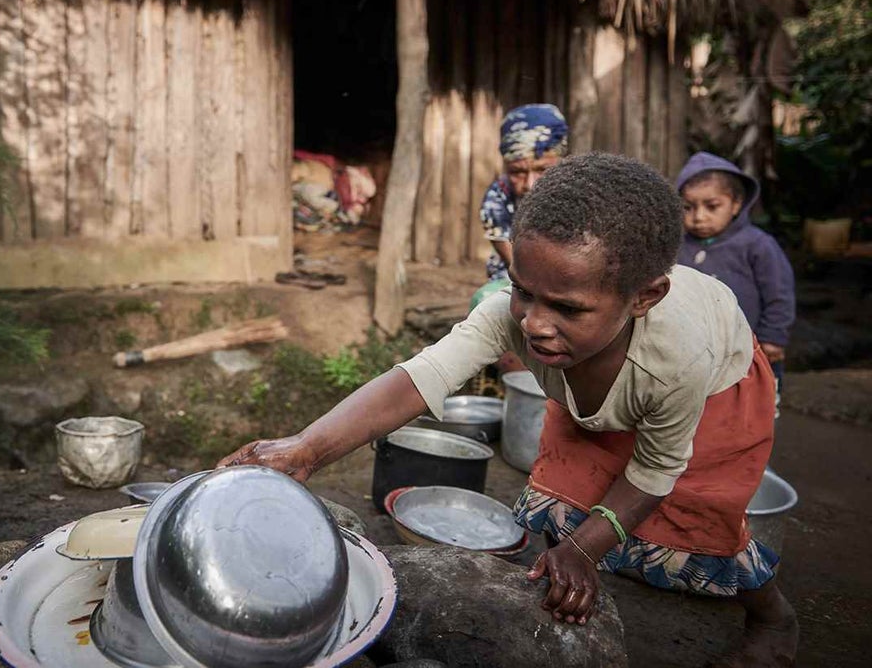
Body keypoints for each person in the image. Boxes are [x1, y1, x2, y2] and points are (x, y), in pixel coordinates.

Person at [221, 154, 796, 666]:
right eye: (524, 291)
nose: (534, 324)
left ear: (643, 298)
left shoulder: (679, 359)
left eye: (566, 307)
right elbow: (420, 378)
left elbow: (656, 472)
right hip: (602, 382)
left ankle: (770, 614)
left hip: (715, 393)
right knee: (566, 489)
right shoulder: (520, 317)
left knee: (699, 520)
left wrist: (585, 547)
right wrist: (305, 448)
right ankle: (567, 574)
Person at [676, 152, 795, 384]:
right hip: (689, 353)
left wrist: (772, 338)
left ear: (736, 204)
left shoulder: (757, 245)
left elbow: (779, 296)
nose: (699, 217)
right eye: (688, 207)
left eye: (712, 206)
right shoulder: (676, 246)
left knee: (750, 411)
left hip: (748, 354)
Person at [479, 103, 569, 285]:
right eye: (517, 172)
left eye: (543, 169)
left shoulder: (582, 192)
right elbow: (518, 268)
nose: (531, 184)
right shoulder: (497, 198)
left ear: (562, 161)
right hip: (518, 280)